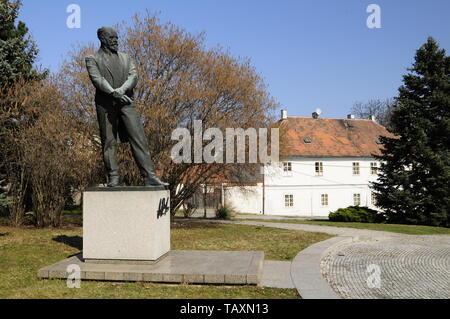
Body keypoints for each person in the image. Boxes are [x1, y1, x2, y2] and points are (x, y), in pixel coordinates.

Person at [85, 26, 167, 187]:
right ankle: (113, 177)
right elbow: (97, 79)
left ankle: (149, 176)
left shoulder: (126, 58)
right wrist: (112, 92)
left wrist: (122, 90)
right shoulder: (92, 59)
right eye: (111, 38)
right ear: (102, 39)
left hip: (127, 103)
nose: (115, 41)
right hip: (106, 105)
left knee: (139, 138)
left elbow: (133, 75)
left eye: (116, 38)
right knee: (108, 142)